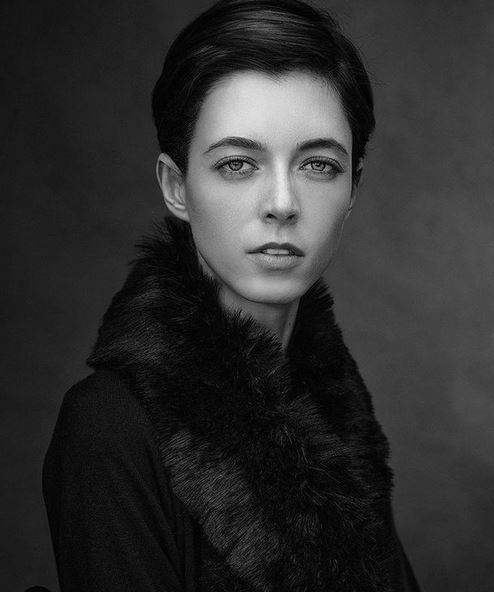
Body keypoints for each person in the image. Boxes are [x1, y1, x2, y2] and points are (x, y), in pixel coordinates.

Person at [42, 0, 422, 590]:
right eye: (239, 164)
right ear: (176, 187)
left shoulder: (335, 409)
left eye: (318, 165)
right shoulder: (109, 426)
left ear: (353, 189)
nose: (282, 203)